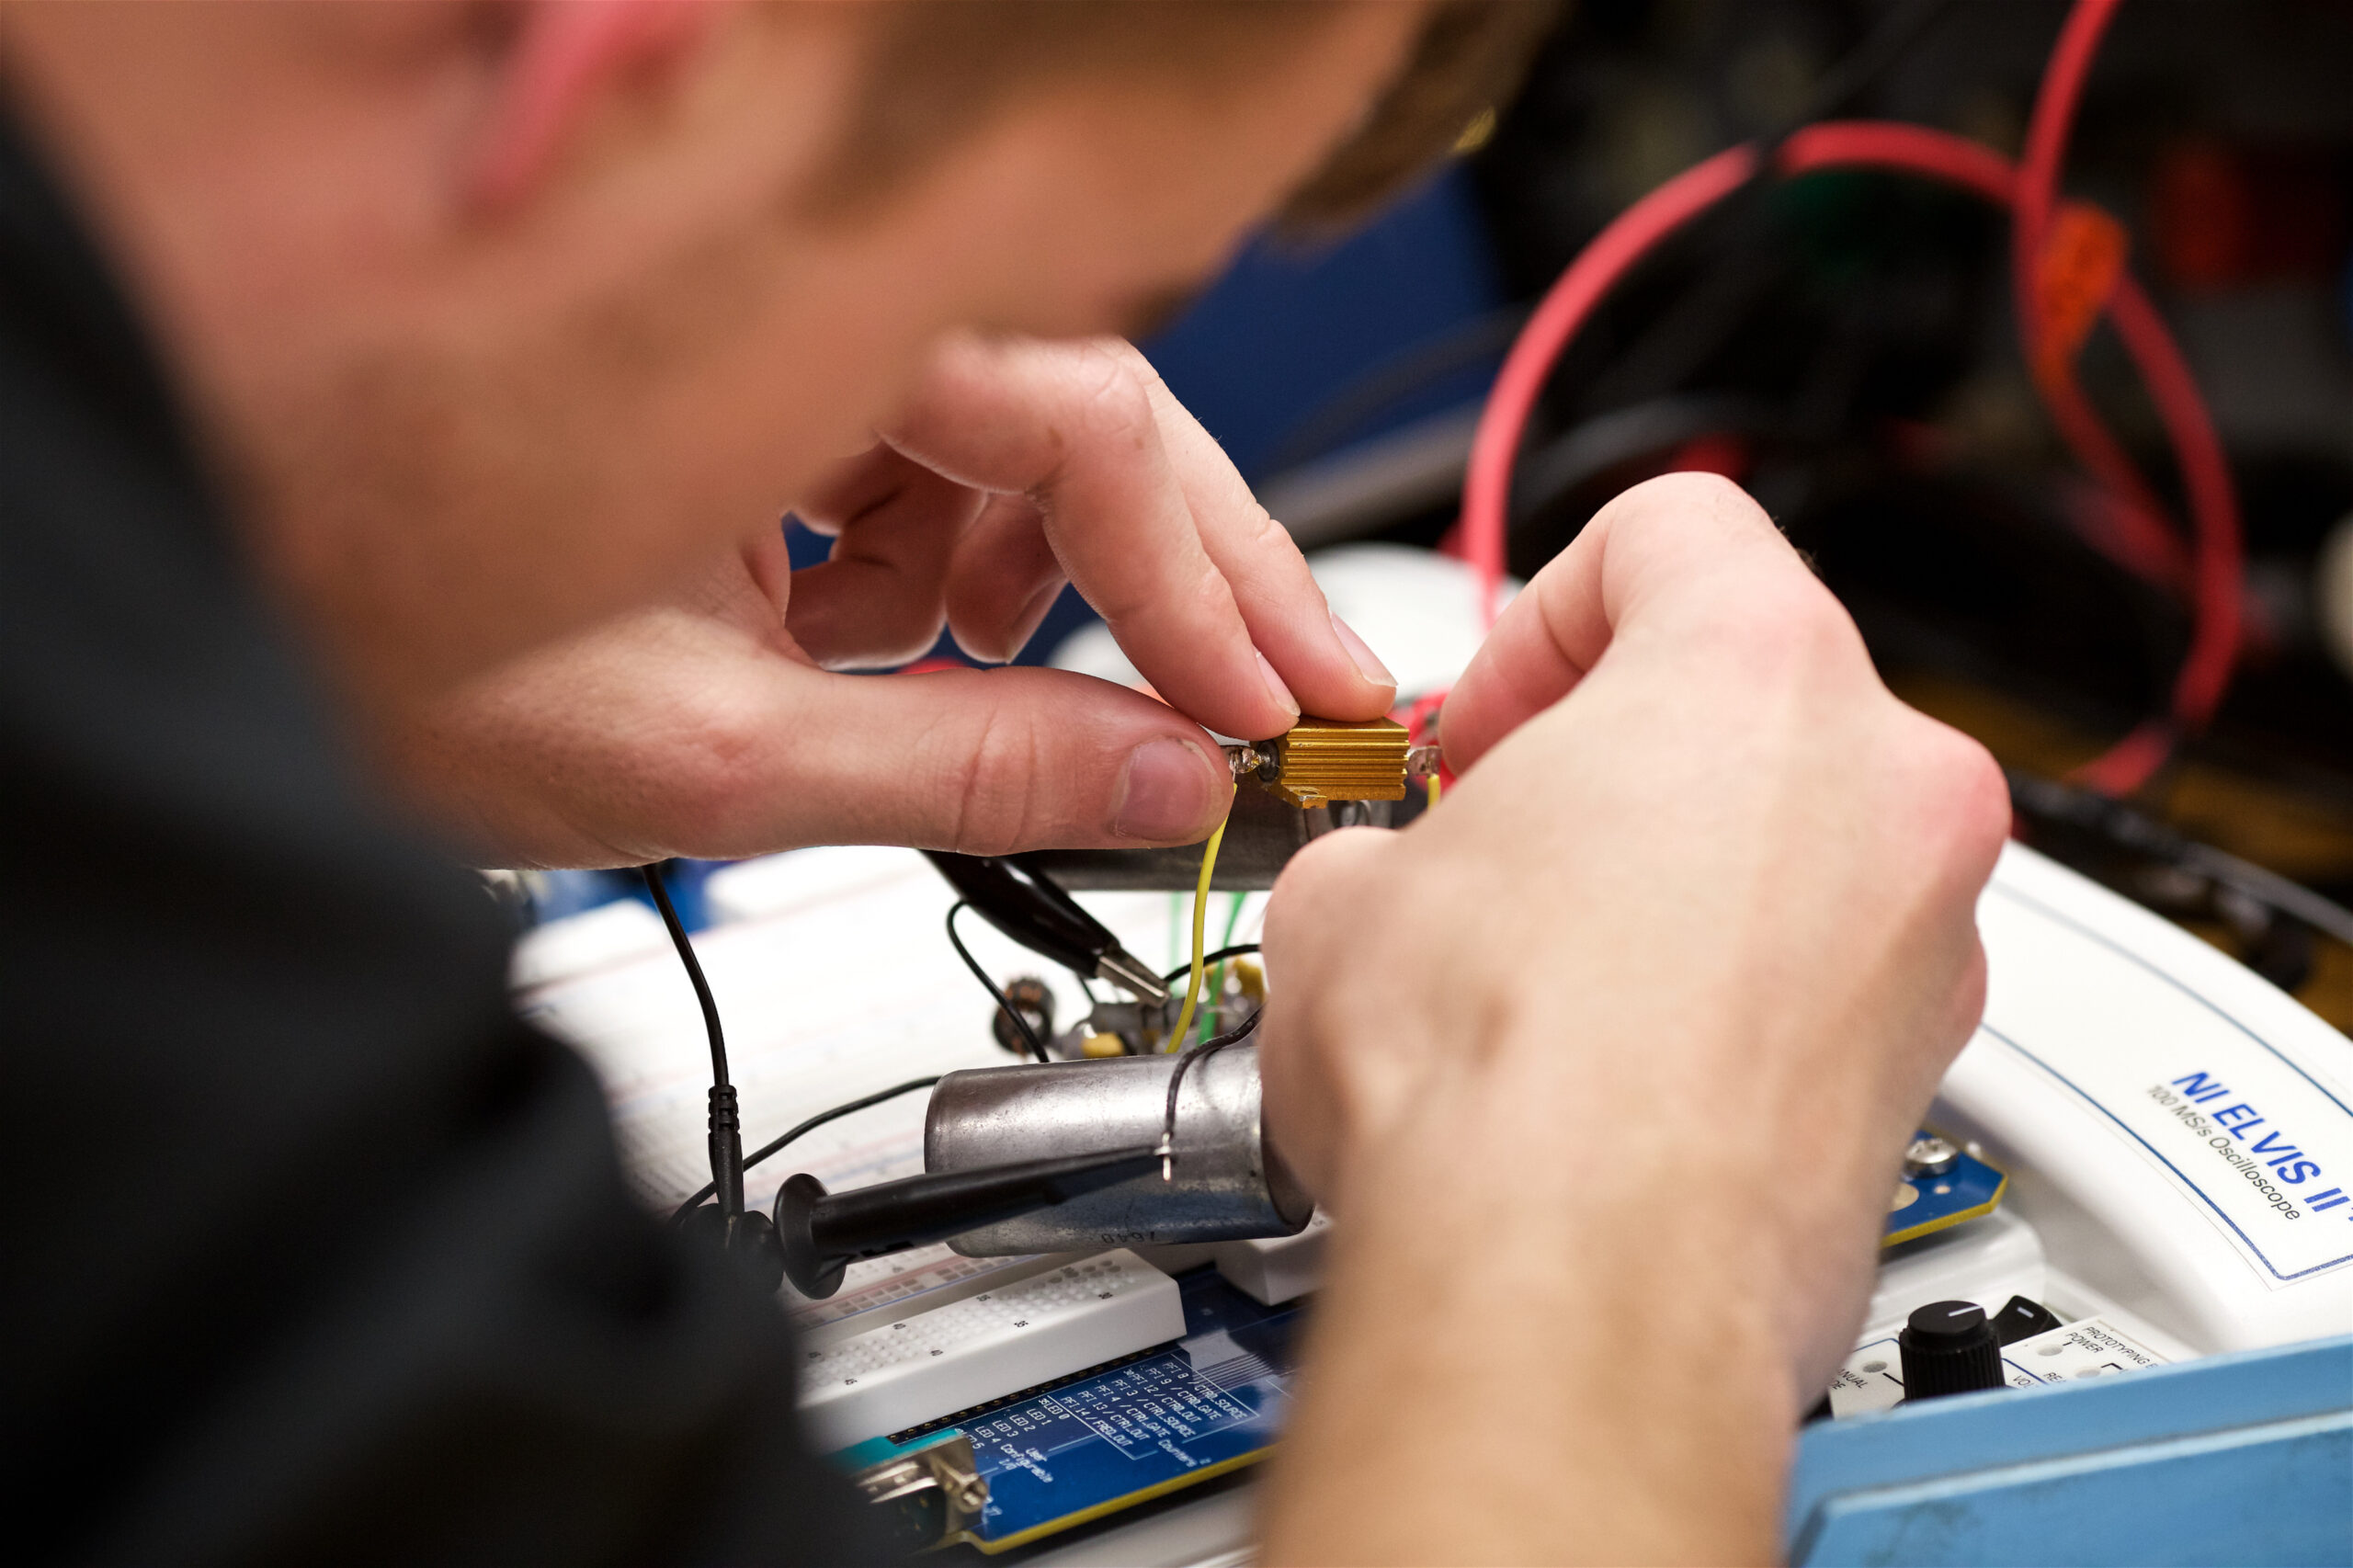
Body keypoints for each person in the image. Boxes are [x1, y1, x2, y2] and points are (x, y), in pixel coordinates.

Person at [0, 2, 2006, 1562]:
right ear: (628, 79)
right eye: (1034, 297)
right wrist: (1611, 1215)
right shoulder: (138, 966)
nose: (931, 438)